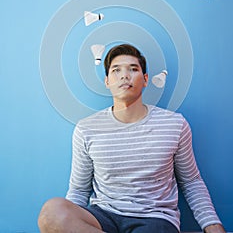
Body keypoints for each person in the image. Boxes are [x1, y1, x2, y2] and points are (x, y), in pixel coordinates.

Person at [38, 43, 226, 233]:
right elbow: (79, 190)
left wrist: (212, 224)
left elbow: (191, 181)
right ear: (107, 81)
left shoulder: (174, 125)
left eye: (133, 69)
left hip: (155, 218)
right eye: (116, 70)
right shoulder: (86, 129)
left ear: (145, 80)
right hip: (103, 216)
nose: (124, 75)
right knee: (51, 213)